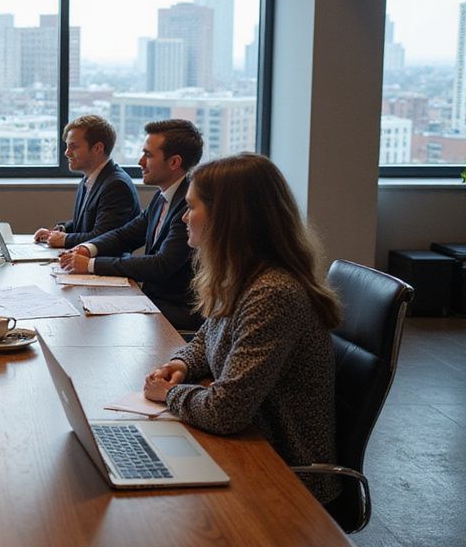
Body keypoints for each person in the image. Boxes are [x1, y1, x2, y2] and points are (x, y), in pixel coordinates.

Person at [142, 153, 341, 505]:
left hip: (281, 473)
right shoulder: (243, 275)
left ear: (227, 217)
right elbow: (208, 338)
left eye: (192, 207)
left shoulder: (272, 292)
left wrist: (167, 395)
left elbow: (226, 411)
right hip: (249, 445)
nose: (185, 216)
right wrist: (182, 364)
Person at [58, 118, 203, 330]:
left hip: (177, 311)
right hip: (154, 300)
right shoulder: (161, 198)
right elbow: (125, 235)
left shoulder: (187, 206)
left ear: (174, 162)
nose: (140, 161)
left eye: (148, 155)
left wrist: (89, 265)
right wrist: (87, 249)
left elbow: (161, 265)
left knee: (90, 319)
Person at [33, 114, 139, 249]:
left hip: (103, 266)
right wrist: (59, 231)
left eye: (74, 146)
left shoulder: (117, 185)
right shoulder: (89, 179)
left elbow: (103, 237)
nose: (67, 152)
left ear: (97, 149)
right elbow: (84, 225)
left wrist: (65, 240)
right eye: (67, 146)